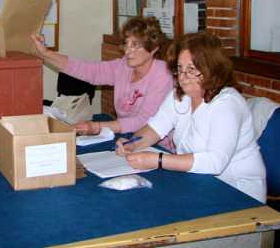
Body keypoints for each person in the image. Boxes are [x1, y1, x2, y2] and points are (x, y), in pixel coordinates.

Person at [116, 32, 266, 203]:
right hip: (199, 183)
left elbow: (215, 162)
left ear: (211, 68)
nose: (183, 77)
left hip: (238, 192)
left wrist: (158, 160)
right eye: (180, 68)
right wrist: (132, 143)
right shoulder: (180, 95)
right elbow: (155, 128)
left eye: (191, 70)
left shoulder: (227, 103)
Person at [31, 16, 174, 151]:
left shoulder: (162, 74)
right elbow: (89, 71)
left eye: (135, 45)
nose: (128, 51)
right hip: (126, 138)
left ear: (154, 48)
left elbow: (144, 121)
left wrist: (97, 127)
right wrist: (46, 53)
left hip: (156, 146)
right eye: (126, 44)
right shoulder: (124, 66)